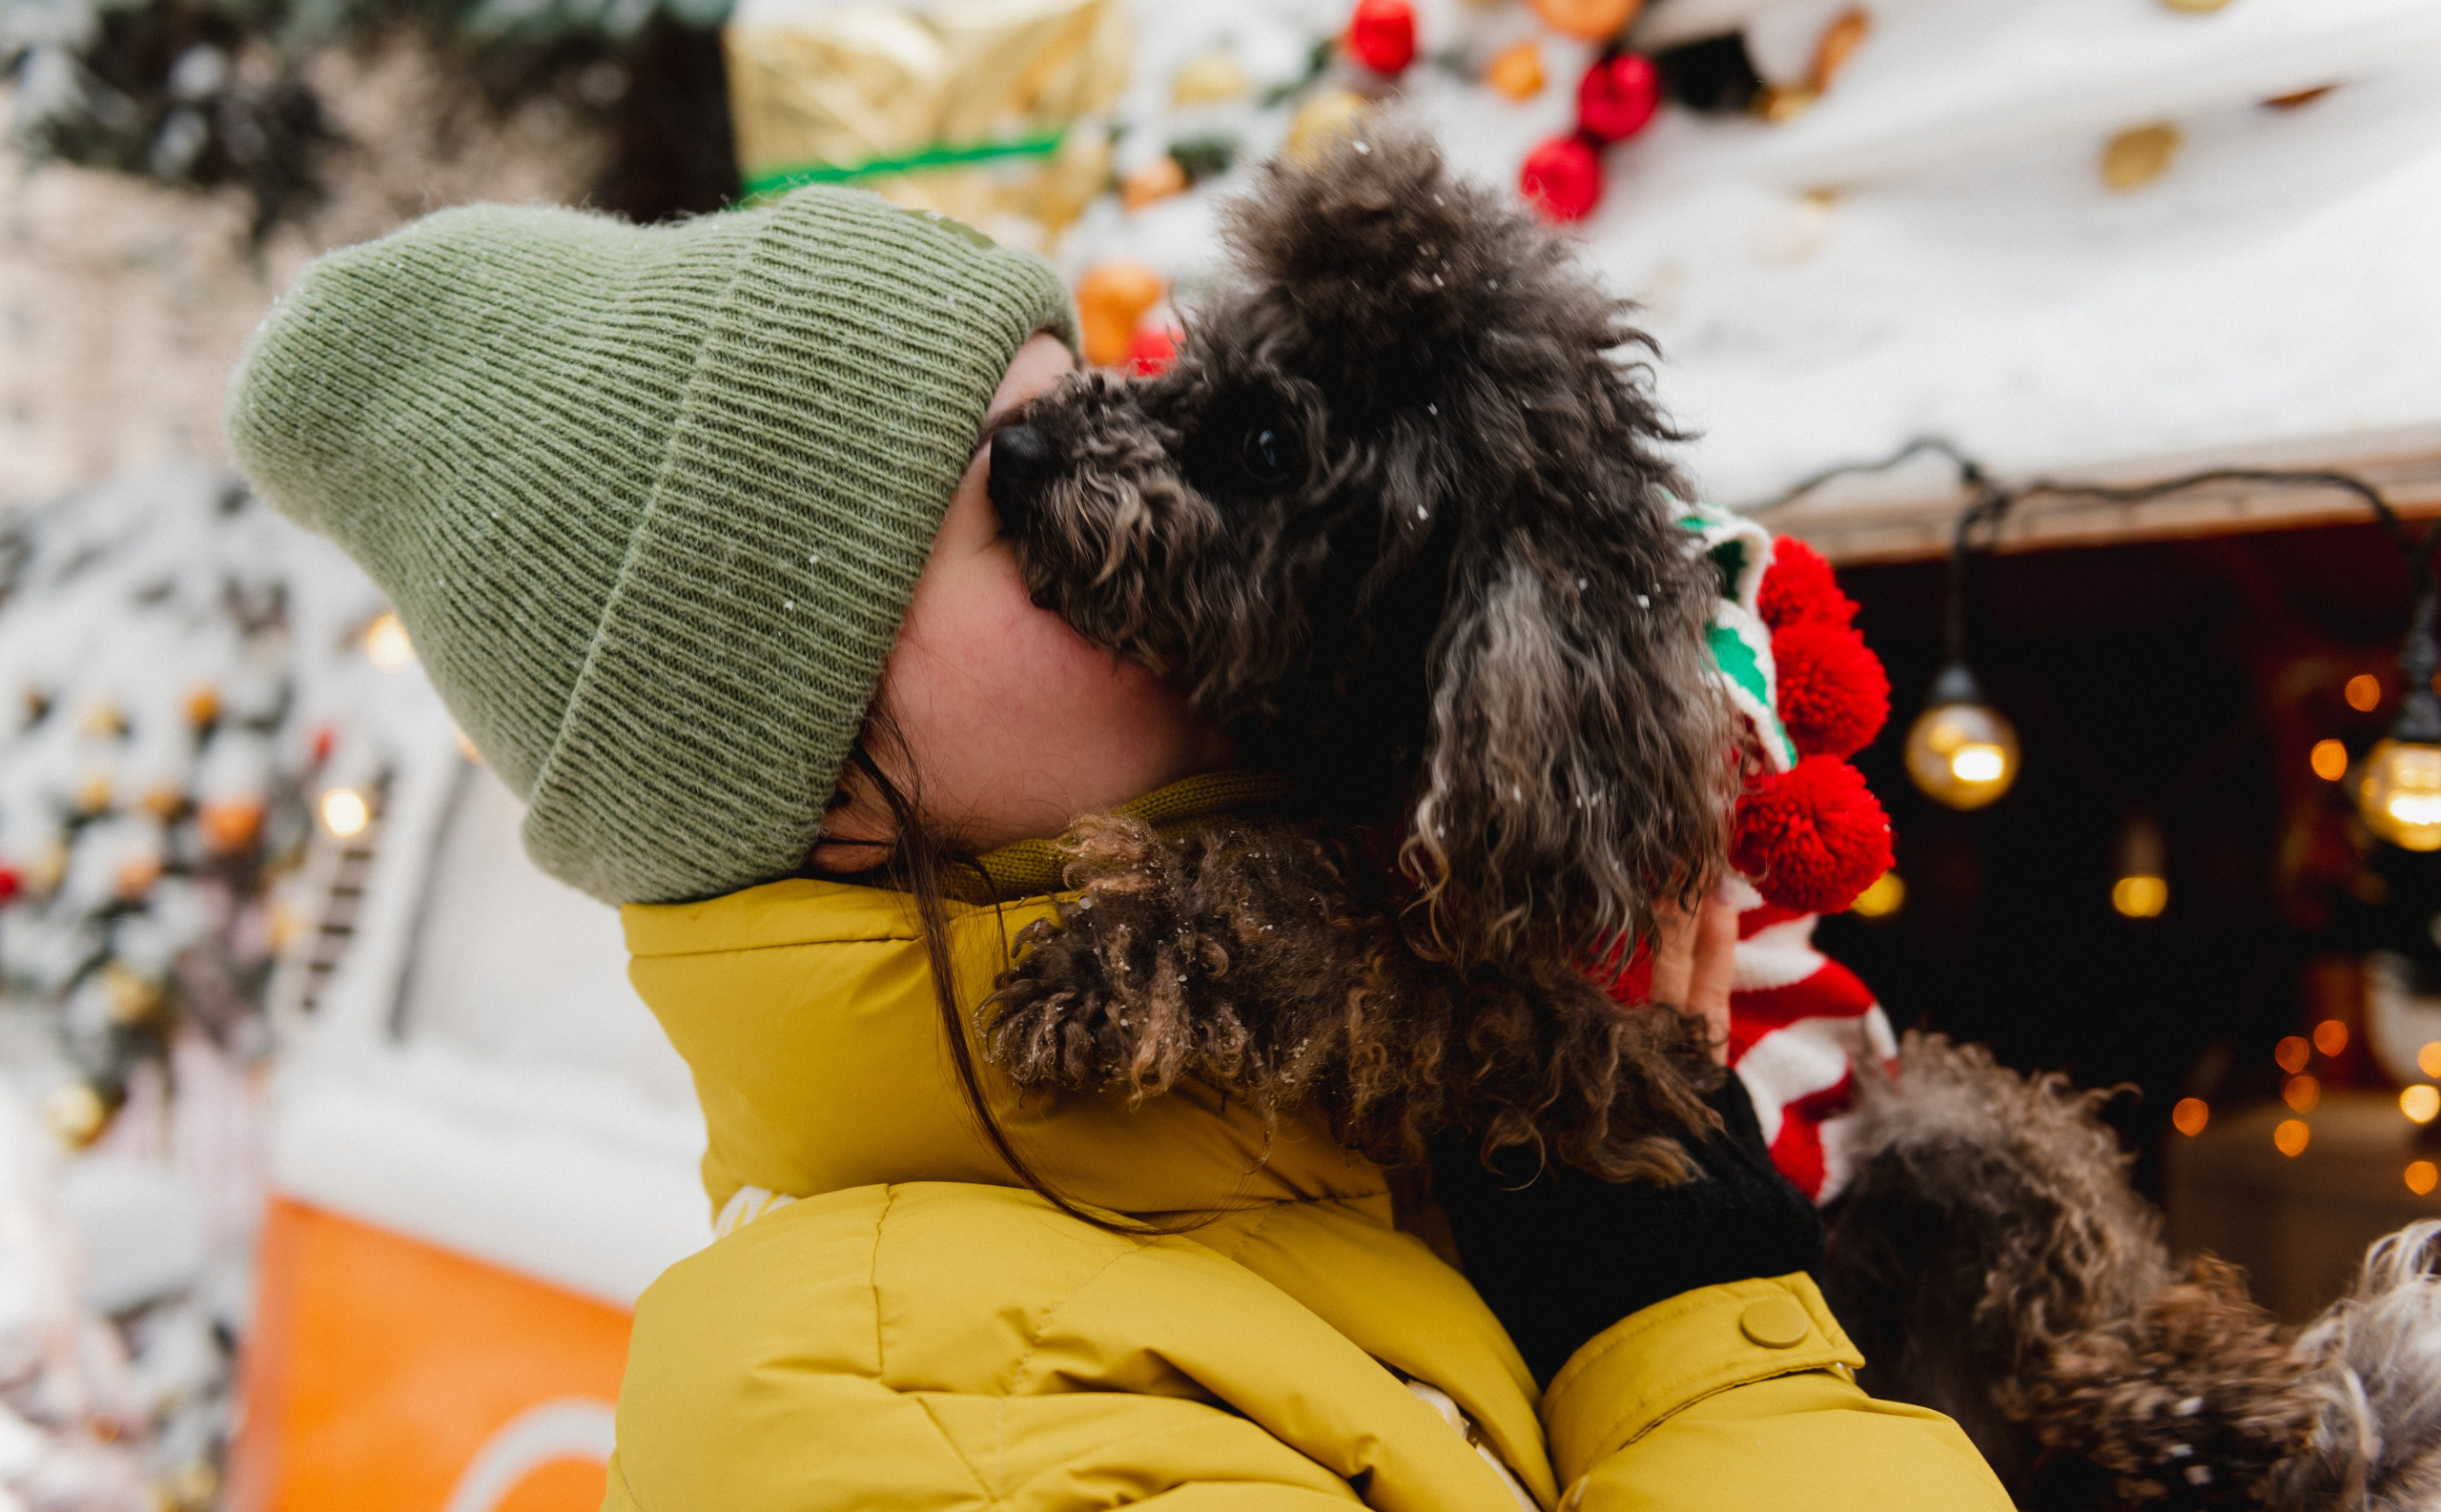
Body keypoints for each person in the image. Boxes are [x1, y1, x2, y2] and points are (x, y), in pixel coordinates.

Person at [227, 183, 2010, 1510]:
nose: (1113, 467)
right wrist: (1689, 1320)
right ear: (821, 787)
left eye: (1103, 389)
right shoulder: (877, 1415)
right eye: (1005, 491)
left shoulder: (1351, 1097)